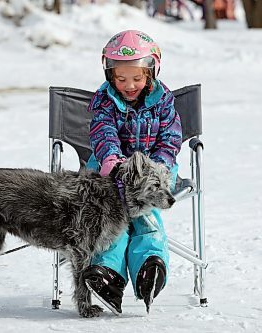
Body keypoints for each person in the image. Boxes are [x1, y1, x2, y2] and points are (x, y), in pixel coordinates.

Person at [82, 30, 182, 314]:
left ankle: (149, 265)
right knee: (111, 213)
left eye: (137, 78)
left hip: (154, 168)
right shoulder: (105, 101)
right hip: (112, 168)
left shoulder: (163, 101)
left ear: (151, 72)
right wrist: (112, 161)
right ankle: (107, 271)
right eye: (121, 78)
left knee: (146, 209)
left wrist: (158, 165)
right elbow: (103, 132)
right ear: (109, 74)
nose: (129, 85)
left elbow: (171, 138)